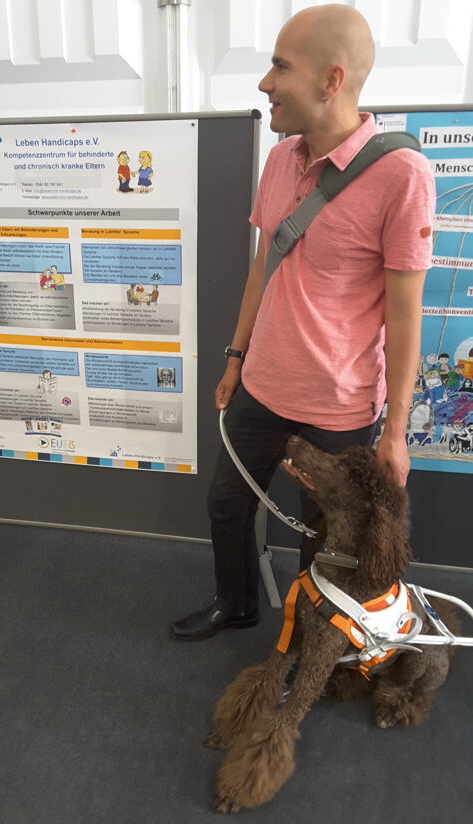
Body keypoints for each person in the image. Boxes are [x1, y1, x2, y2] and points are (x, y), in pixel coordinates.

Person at [171, 4, 435, 641]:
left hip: (339, 406)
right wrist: (235, 358)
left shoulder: (403, 174)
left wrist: (395, 431)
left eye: (279, 67)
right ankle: (235, 603)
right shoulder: (282, 159)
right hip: (262, 386)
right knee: (227, 506)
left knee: (323, 537)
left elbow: (404, 315)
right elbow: (265, 265)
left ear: (331, 80)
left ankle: (312, 646)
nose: (264, 83)